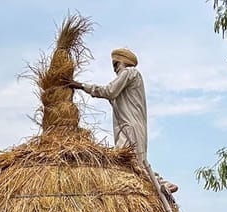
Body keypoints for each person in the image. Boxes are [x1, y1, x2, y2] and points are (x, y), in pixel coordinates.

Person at [69, 48, 178, 194]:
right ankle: (160, 184)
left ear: (124, 62)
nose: (114, 69)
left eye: (116, 64)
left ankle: (163, 183)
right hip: (126, 126)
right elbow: (113, 97)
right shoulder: (128, 82)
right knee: (131, 162)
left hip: (129, 127)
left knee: (131, 161)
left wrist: (82, 86)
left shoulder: (130, 72)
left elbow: (109, 91)